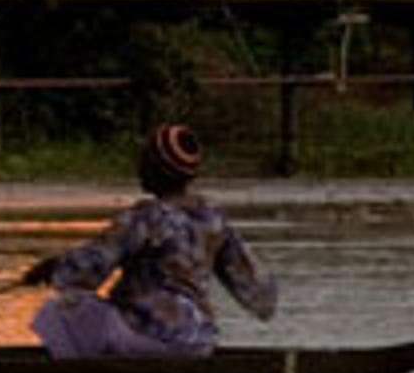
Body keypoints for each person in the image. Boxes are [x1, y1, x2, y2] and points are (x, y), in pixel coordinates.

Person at [21, 123, 278, 359]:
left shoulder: (146, 217)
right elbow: (259, 291)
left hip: (153, 336)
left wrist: (53, 269)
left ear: (158, 169)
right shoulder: (212, 217)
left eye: (145, 160)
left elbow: (91, 266)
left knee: (66, 307)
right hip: (199, 340)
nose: (139, 167)